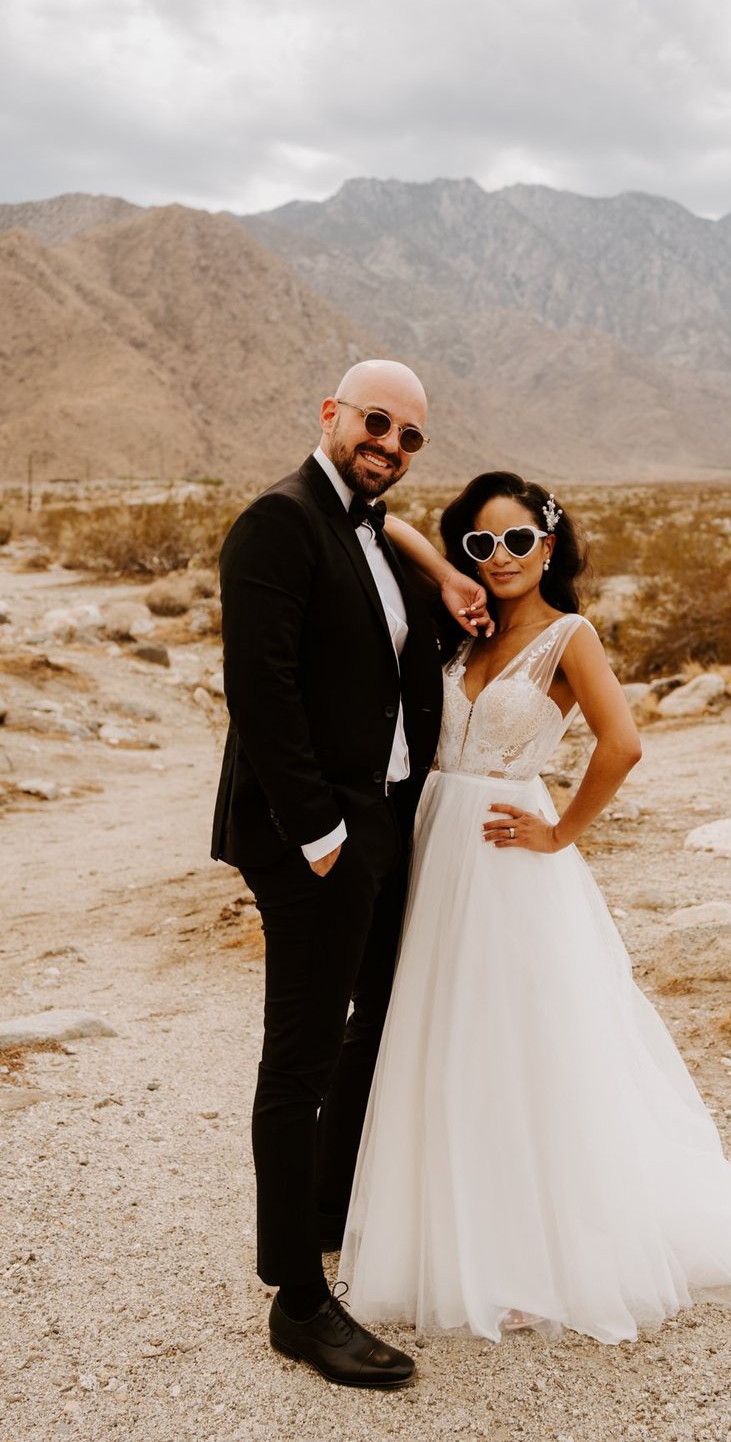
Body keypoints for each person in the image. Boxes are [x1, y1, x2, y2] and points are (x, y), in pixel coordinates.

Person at [337, 470, 731, 1343]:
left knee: (519, 1047)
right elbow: (392, 532)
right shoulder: (469, 625)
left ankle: (532, 1253)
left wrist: (560, 831)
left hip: (508, 862)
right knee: (442, 1036)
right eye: (480, 544)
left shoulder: (568, 635)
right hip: (438, 848)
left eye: (517, 541)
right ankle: (444, 1231)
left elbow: (624, 743)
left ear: (549, 544)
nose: (499, 558)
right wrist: (445, 566)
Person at [211, 360, 489, 1388]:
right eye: (377, 422)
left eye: (411, 436)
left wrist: (444, 572)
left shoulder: (368, 527)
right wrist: (322, 834)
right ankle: (297, 1298)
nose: (390, 445)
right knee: (299, 1058)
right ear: (330, 413)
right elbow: (261, 690)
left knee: (371, 1024)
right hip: (313, 838)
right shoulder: (277, 524)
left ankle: (329, 1220)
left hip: (379, 822)